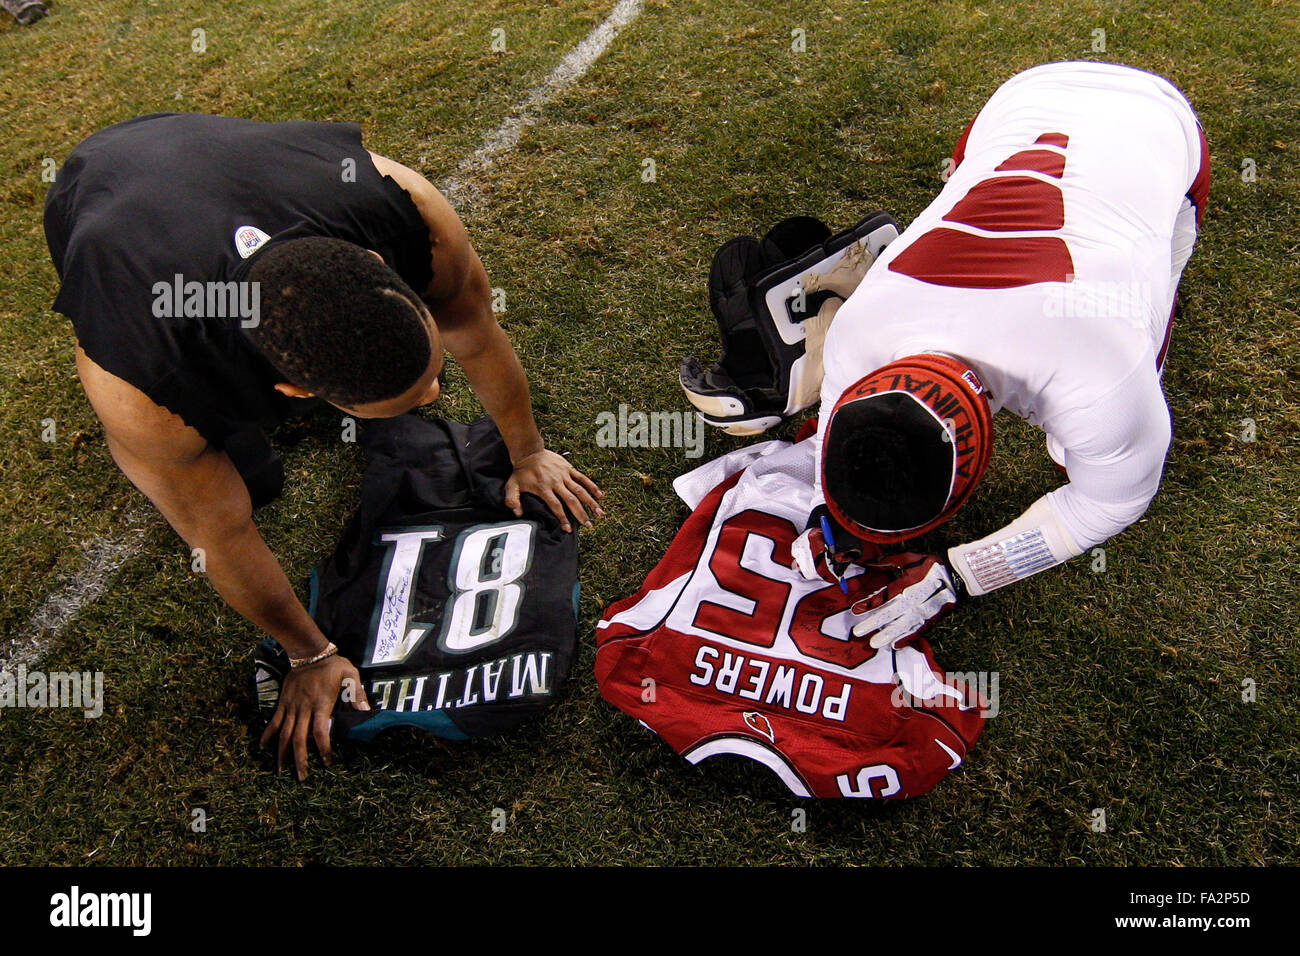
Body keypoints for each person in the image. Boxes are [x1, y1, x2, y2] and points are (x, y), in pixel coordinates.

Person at [44, 113, 604, 779]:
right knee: (244, 485)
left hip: (211, 148)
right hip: (104, 194)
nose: (433, 400)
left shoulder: (400, 205)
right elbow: (217, 533)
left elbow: (472, 323)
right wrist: (309, 653)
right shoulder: (143, 380)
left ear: (379, 265)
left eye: (431, 378)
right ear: (293, 390)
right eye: (413, 395)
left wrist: (527, 451)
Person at [794, 62, 1210, 649]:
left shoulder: (1103, 379)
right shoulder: (860, 331)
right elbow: (840, 428)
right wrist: (825, 509)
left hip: (1156, 118)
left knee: (1078, 456)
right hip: (1021, 102)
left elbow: (1111, 503)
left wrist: (963, 575)